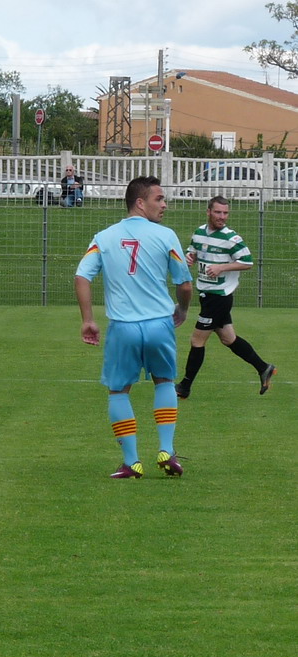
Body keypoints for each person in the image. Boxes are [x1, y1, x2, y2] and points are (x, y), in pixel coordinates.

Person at [75, 176, 192, 479]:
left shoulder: (104, 237)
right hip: (158, 324)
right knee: (165, 382)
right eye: (159, 199)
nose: (165, 205)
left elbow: (82, 277)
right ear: (140, 202)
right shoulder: (166, 236)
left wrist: (88, 319)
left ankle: (132, 462)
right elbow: (185, 284)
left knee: (118, 392)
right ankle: (166, 450)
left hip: (123, 327)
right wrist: (182, 308)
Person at [175, 196, 275, 400]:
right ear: (208, 212)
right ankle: (264, 368)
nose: (222, 217)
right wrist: (189, 257)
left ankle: (184, 387)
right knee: (229, 339)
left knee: (196, 340)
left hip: (219, 297)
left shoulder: (232, 238)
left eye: (225, 213)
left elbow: (247, 262)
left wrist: (222, 266)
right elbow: (192, 251)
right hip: (207, 295)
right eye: (218, 212)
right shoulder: (199, 233)